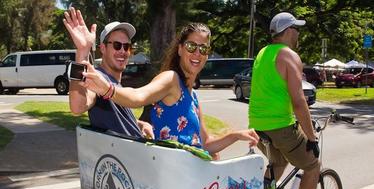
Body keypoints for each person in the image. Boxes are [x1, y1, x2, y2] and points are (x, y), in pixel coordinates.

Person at [78, 22, 259, 156]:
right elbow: (138, 96)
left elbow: (206, 143)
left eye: (203, 48)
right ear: (180, 49)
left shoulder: (193, 96)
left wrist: (236, 135)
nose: (197, 53)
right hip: (170, 183)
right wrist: (107, 89)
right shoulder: (171, 79)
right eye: (191, 46)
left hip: (192, 180)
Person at [248, 12, 320, 189]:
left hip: (258, 126)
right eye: (296, 29)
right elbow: (299, 102)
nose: (298, 33)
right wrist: (312, 137)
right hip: (280, 126)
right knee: (313, 166)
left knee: (276, 167)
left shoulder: (262, 53)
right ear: (288, 31)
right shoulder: (289, 55)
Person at [63, 7, 153, 138]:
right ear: (103, 48)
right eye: (117, 45)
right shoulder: (99, 78)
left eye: (126, 46)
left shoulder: (116, 84)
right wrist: (82, 52)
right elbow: (78, 107)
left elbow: (118, 119)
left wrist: (140, 124)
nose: (122, 51)